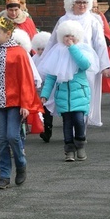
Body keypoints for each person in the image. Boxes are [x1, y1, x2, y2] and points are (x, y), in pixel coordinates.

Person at [0, 16, 43, 190]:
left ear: (8, 34)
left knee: (12, 136)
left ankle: (21, 163)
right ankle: (4, 175)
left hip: (15, 102)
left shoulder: (19, 52)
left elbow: (26, 79)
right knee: (1, 139)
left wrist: (25, 104)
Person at [43, 0, 110, 127]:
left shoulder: (93, 20)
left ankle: (81, 129)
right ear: (71, 3)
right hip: (64, 63)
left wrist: (105, 65)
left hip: (86, 64)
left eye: (85, 2)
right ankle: (70, 127)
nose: (82, 5)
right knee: (67, 94)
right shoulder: (63, 20)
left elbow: (100, 43)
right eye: (79, 2)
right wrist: (45, 62)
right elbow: (53, 42)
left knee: (85, 96)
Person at [39, 20, 95, 162]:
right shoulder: (57, 52)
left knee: (79, 120)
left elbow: (84, 64)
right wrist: (45, 94)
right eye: (66, 36)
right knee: (67, 124)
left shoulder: (82, 49)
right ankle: (69, 150)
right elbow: (51, 77)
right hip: (63, 95)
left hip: (79, 93)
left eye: (72, 36)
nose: (69, 39)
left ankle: (80, 144)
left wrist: (72, 48)